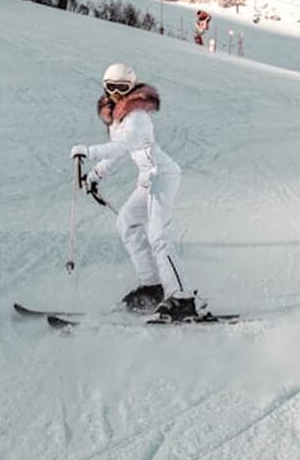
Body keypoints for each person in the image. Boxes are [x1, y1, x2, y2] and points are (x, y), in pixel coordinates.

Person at [70, 62, 205, 322]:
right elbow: (117, 151)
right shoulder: (118, 118)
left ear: (131, 88)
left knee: (158, 234)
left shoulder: (137, 116)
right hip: (148, 179)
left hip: (162, 175)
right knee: (127, 222)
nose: (116, 93)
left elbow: (124, 145)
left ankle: (183, 298)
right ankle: (152, 287)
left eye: (122, 88)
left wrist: (87, 151)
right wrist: (95, 175)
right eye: (111, 87)